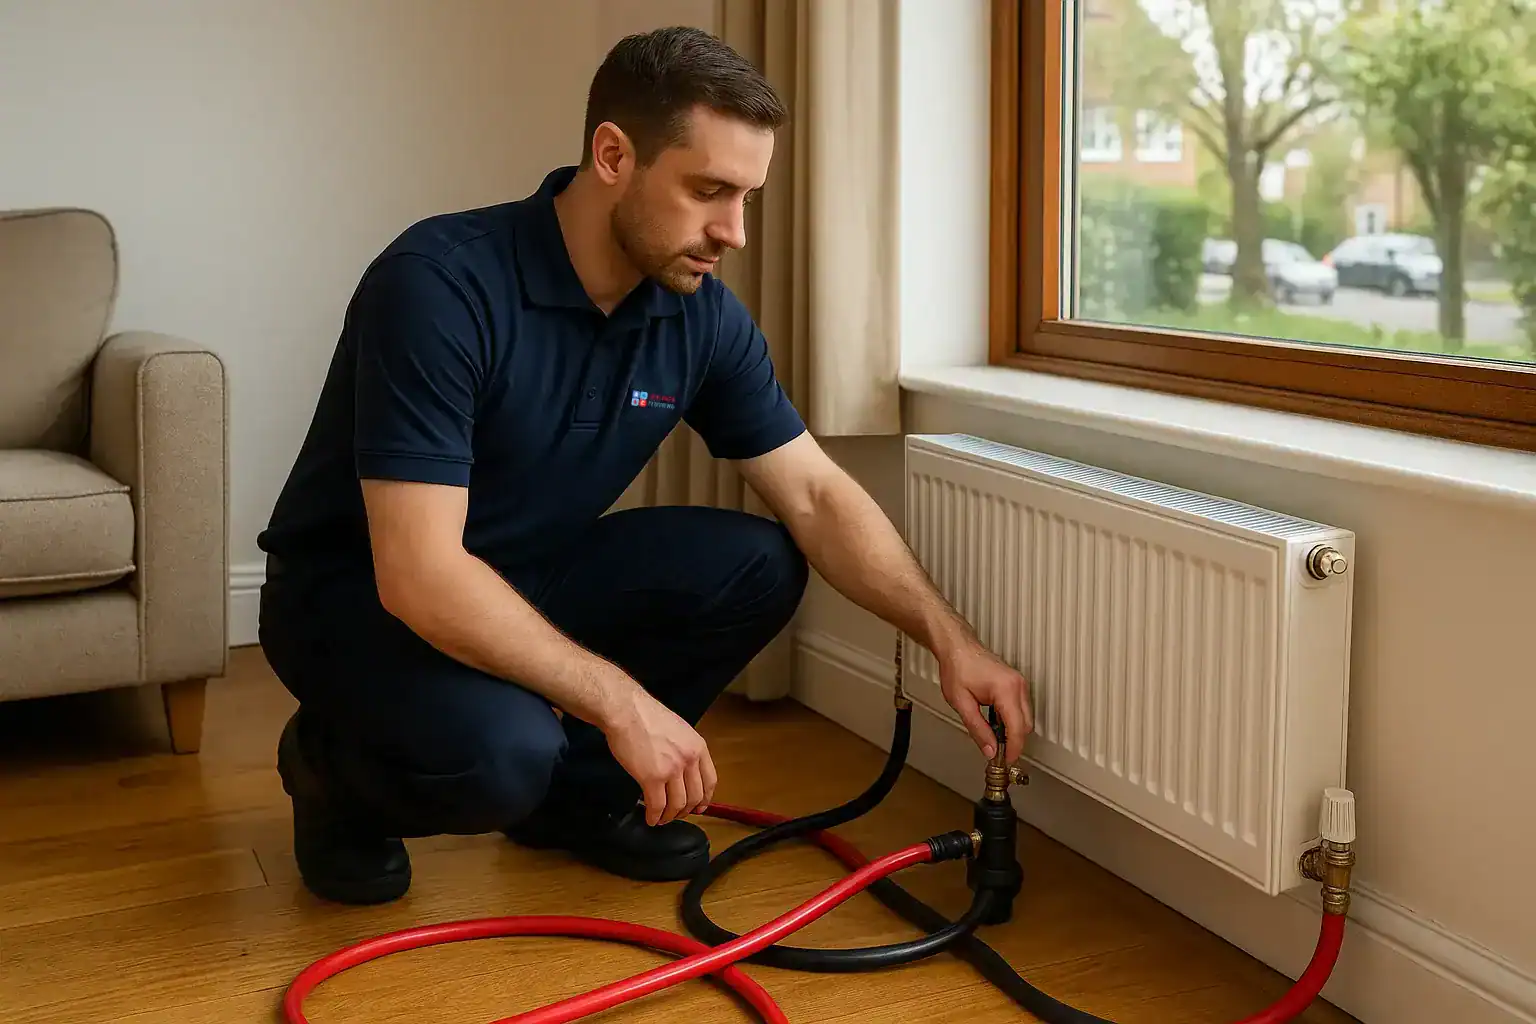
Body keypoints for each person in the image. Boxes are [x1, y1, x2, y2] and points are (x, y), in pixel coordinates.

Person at [256, 25, 1033, 907]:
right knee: (503, 756)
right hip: (357, 601)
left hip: (521, 570)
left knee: (760, 561)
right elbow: (420, 574)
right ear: (614, 155)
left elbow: (814, 494)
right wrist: (621, 706)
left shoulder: (696, 311)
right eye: (709, 191)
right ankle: (329, 775)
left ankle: (577, 806)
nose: (734, 233)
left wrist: (949, 640)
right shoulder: (439, 286)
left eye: (746, 197)